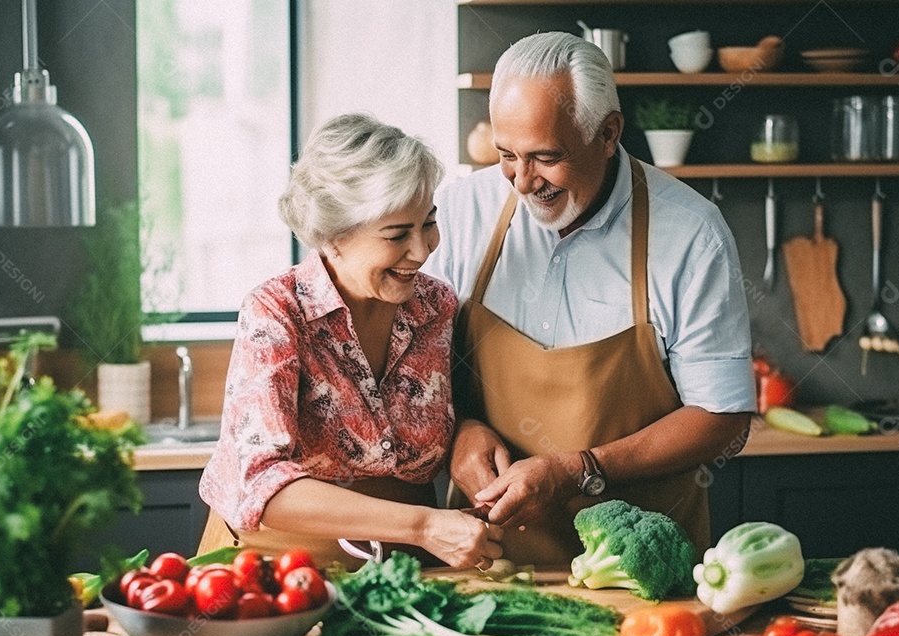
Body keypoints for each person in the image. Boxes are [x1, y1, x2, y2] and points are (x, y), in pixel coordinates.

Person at [428, 32, 755, 564]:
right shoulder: (461, 211)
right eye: (508, 156)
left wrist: (578, 470)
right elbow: (414, 368)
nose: (523, 181)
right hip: (486, 563)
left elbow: (721, 416)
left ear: (608, 134)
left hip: (645, 570)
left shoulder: (692, 234)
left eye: (546, 157)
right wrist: (458, 430)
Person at [198, 113, 503, 570]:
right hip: (272, 569)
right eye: (397, 234)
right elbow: (263, 482)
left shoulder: (436, 306)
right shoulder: (277, 312)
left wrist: (468, 431)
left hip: (405, 570)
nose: (422, 250)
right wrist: (422, 525)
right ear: (333, 238)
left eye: (429, 224)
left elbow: (445, 409)